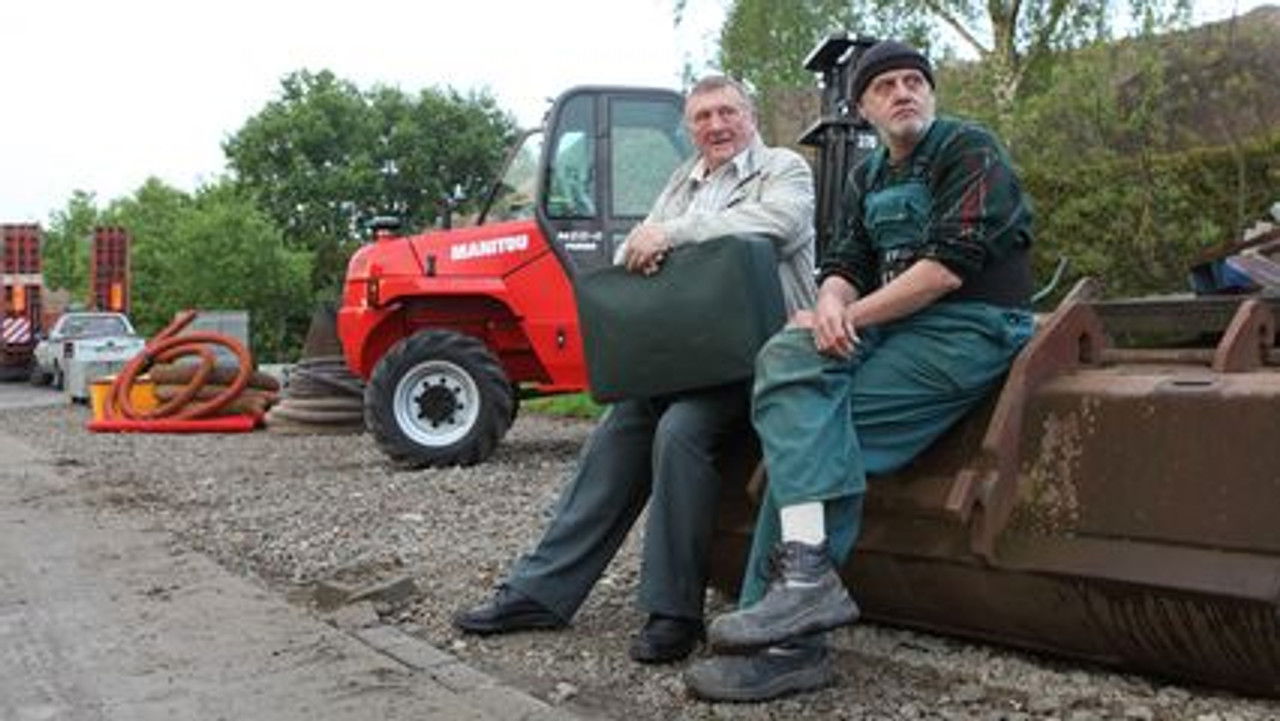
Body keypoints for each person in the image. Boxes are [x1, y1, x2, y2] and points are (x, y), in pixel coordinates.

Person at [685, 40, 1037, 701]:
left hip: (970, 327)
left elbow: (945, 269)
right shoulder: (867, 175)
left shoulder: (969, 149)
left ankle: (787, 643)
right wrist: (827, 305)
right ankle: (803, 584)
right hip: (891, 325)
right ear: (863, 107)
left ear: (930, 92)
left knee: (821, 434)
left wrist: (849, 316)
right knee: (785, 353)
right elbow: (845, 260)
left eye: (914, 81)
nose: (903, 92)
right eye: (885, 86)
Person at [453, 75, 817, 665]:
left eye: (727, 112)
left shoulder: (783, 169)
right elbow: (630, 252)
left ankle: (674, 612)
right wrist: (650, 245)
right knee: (619, 426)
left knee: (680, 431)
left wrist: (671, 235)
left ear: (749, 117)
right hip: (690, 352)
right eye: (703, 117)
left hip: (761, 351)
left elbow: (778, 224)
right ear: (689, 129)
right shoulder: (681, 182)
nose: (717, 125)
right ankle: (539, 591)